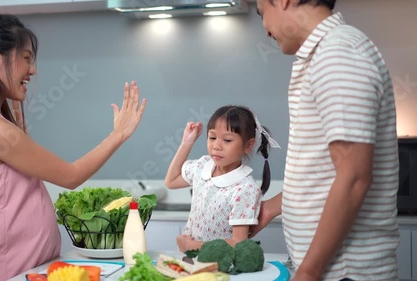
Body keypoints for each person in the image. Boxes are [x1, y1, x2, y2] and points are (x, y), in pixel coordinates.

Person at [0, 11, 146, 281]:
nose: (32, 69)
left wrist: (13, 107)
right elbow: (70, 176)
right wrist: (118, 134)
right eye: (25, 58)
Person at [251, 1, 400, 280]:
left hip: (346, 272)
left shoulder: (337, 54)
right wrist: (270, 208)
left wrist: (308, 272)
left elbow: (354, 176)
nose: (266, 30)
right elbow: (330, 173)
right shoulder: (329, 53)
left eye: (262, 14)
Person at [164, 105, 280, 252]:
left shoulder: (245, 188)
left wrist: (192, 246)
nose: (216, 146)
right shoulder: (202, 166)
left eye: (227, 140)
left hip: (220, 266)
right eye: (212, 137)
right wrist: (186, 143)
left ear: (248, 145)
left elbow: (238, 242)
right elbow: (171, 181)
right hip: (190, 260)